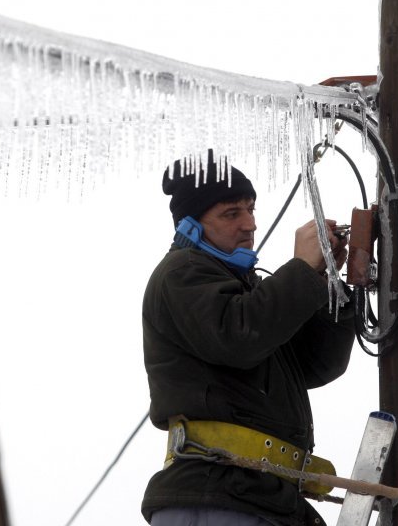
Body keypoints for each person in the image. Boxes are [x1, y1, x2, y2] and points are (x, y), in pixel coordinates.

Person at [141, 152, 356, 526]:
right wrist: (301, 270)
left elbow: (316, 365)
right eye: (231, 214)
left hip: (256, 496)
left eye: (251, 209)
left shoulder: (248, 291)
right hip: (214, 495)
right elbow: (239, 337)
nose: (249, 224)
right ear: (190, 225)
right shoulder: (181, 273)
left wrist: (327, 284)